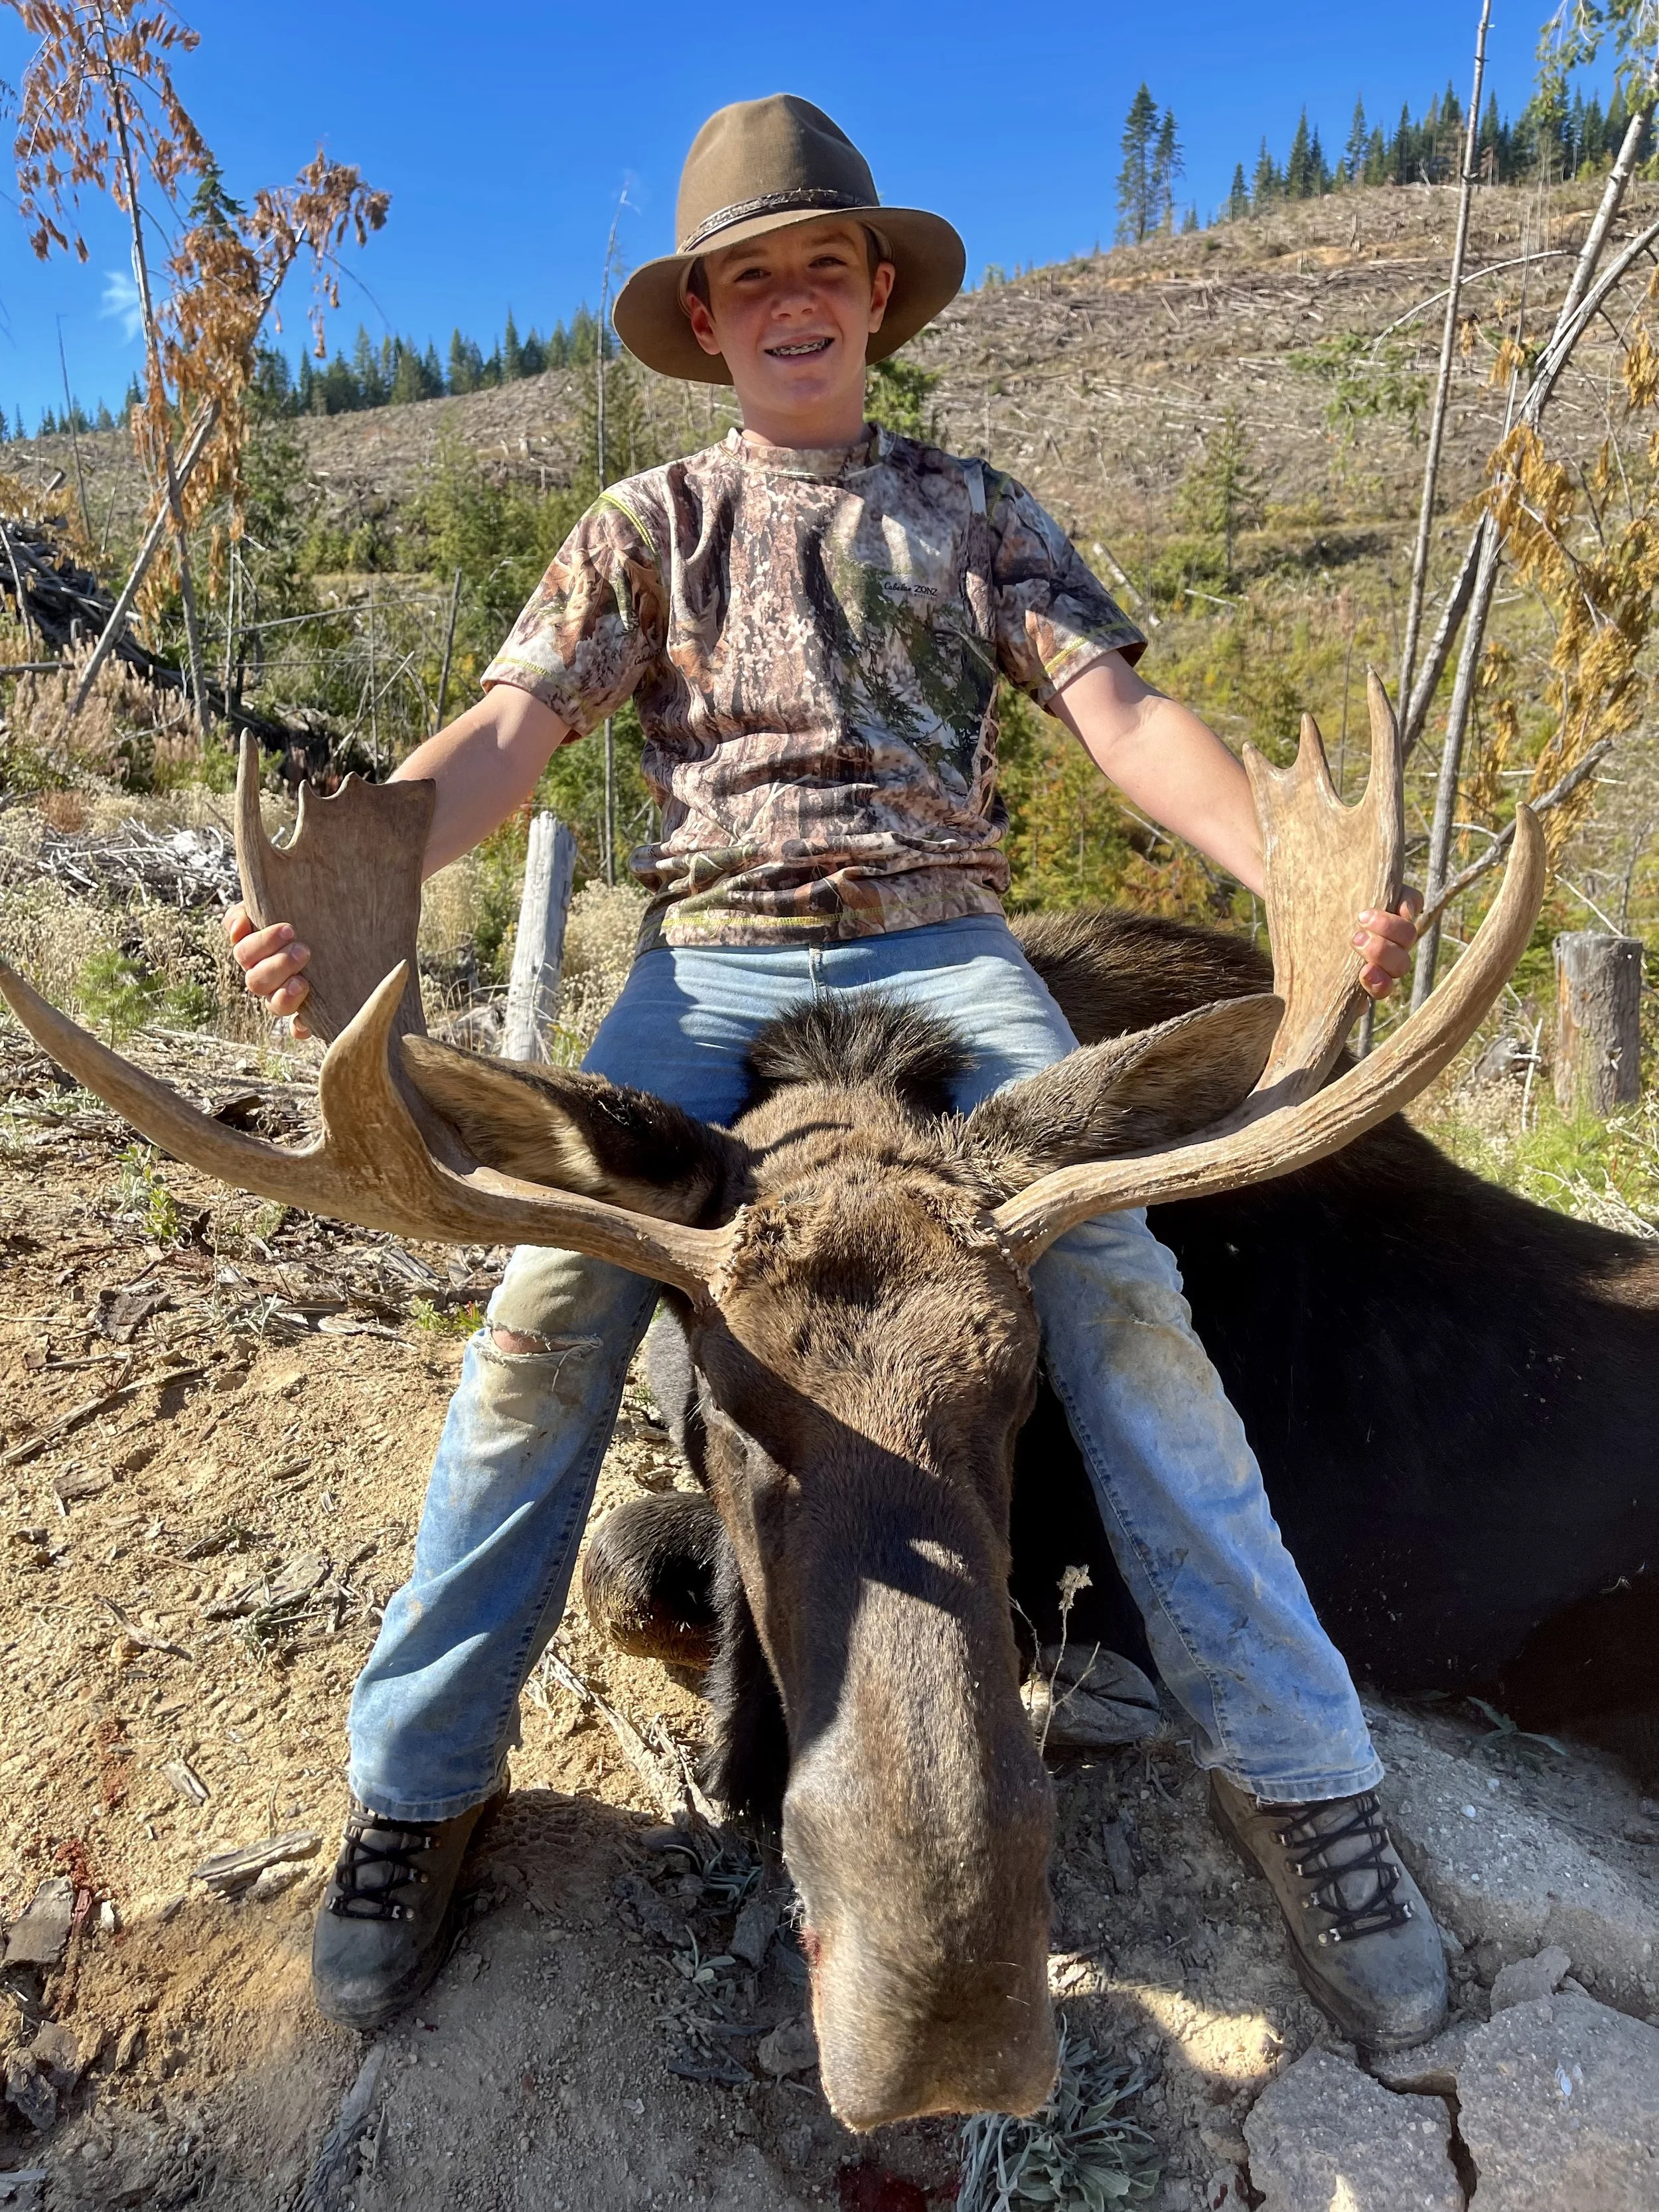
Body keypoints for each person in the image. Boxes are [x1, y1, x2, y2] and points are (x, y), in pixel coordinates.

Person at [228, 94, 1443, 2053]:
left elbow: (1118, 716)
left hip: (944, 950)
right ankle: (420, 1781)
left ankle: (1309, 1785)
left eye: (822, 268)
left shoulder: (972, 510)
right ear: (701, 326)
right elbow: (507, 738)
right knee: (545, 1313)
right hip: (703, 966)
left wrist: (1295, 872)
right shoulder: (644, 529)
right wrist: (364, 865)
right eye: (747, 281)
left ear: (876, 298)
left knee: (1121, 1289)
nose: (790, 303)